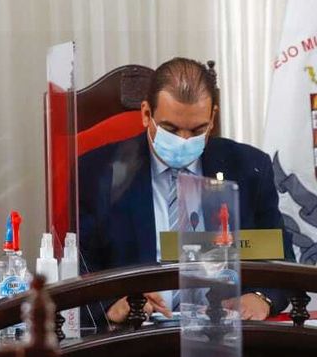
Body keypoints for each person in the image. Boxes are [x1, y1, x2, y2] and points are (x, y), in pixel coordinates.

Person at [79, 57, 292, 326]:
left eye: (197, 130)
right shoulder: (98, 172)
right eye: (171, 129)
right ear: (146, 114)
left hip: (227, 331)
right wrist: (112, 305)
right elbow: (81, 265)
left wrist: (262, 298)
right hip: (138, 334)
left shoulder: (249, 168)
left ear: (212, 118)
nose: (183, 140)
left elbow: (281, 259)